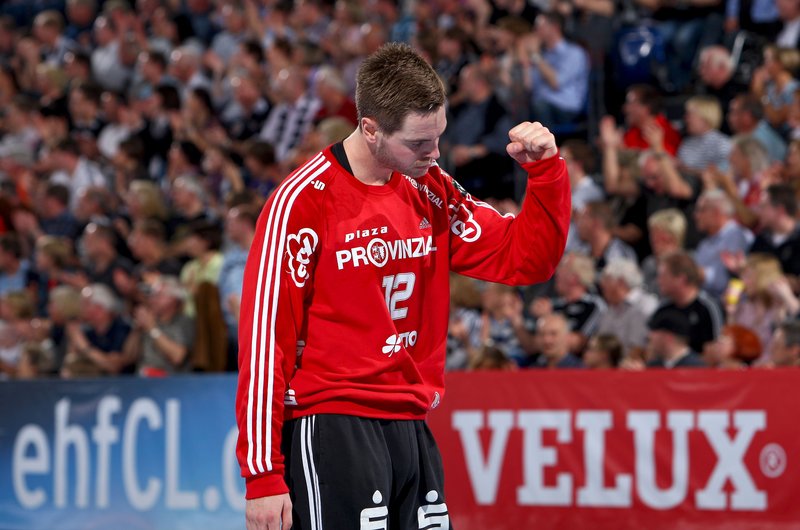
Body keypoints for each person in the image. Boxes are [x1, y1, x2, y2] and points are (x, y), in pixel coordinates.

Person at [235, 42, 570, 530]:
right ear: (370, 128)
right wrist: (263, 475)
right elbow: (266, 344)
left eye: (438, 138)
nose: (434, 154)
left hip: (411, 421)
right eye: (418, 143)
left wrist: (545, 173)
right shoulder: (301, 204)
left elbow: (527, 260)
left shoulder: (429, 186)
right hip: (333, 423)